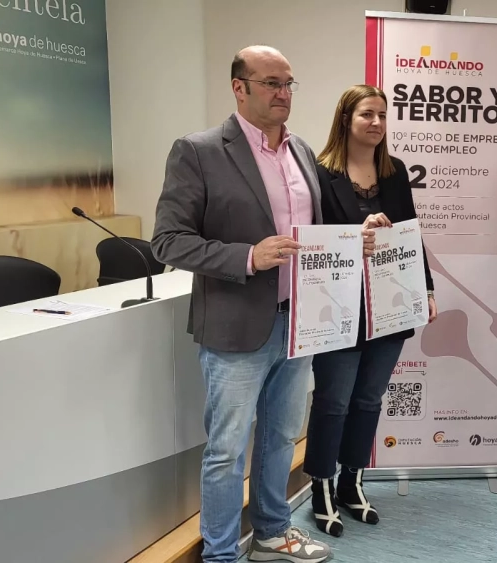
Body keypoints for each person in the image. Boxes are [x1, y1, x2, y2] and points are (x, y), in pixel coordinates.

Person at [151, 46, 339, 563]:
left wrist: (354, 238)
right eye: (271, 83)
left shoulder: (302, 151)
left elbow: (313, 232)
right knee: (227, 451)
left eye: (289, 83)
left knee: (281, 438)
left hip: (298, 323)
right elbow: (167, 241)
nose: (283, 93)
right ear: (240, 87)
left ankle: (272, 534)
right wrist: (248, 256)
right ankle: (219, 555)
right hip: (235, 326)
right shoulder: (199, 151)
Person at [303, 84, 437, 537]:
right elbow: (309, 238)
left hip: (390, 302)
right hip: (338, 304)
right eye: (367, 114)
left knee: (369, 399)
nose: (377, 123)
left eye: (382, 114)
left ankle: (352, 483)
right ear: (346, 119)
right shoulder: (318, 173)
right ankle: (321, 488)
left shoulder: (394, 172)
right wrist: (353, 235)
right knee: (333, 402)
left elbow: (411, 234)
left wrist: (426, 288)